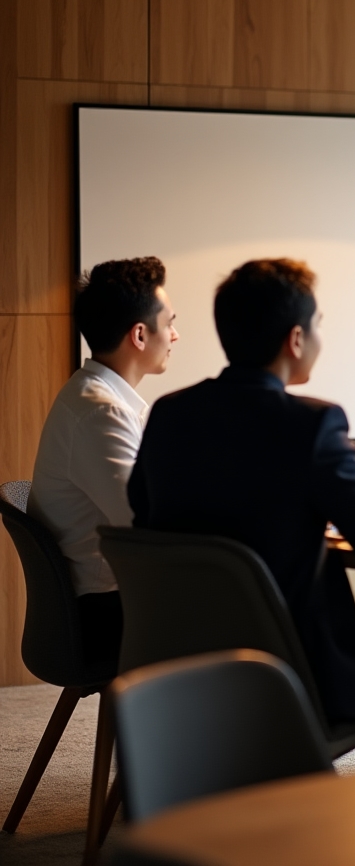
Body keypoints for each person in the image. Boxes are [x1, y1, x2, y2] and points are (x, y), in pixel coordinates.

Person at [128, 259, 355, 758]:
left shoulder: (169, 414)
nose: (319, 338)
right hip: (295, 663)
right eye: (318, 327)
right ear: (295, 340)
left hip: (185, 658)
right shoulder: (312, 426)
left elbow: (144, 515)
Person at [28, 257, 178, 664]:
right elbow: (145, 527)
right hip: (105, 615)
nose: (176, 336)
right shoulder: (101, 412)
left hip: (104, 600)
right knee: (256, 611)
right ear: (141, 335)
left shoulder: (94, 396)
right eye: (170, 323)